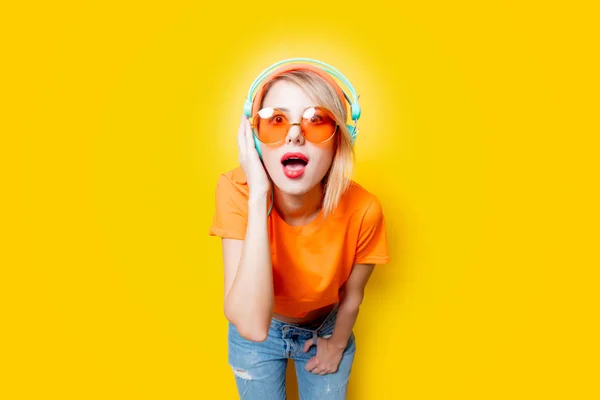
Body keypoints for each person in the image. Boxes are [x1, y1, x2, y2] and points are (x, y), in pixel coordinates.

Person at [209, 58, 390, 399]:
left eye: (316, 120)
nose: (294, 134)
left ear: (340, 140)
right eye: (276, 120)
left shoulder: (364, 209)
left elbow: (353, 296)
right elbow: (251, 326)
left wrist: (336, 345)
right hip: (258, 337)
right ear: (255, 139)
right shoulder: (237, 190)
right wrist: (259, 195)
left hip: (326, 328)